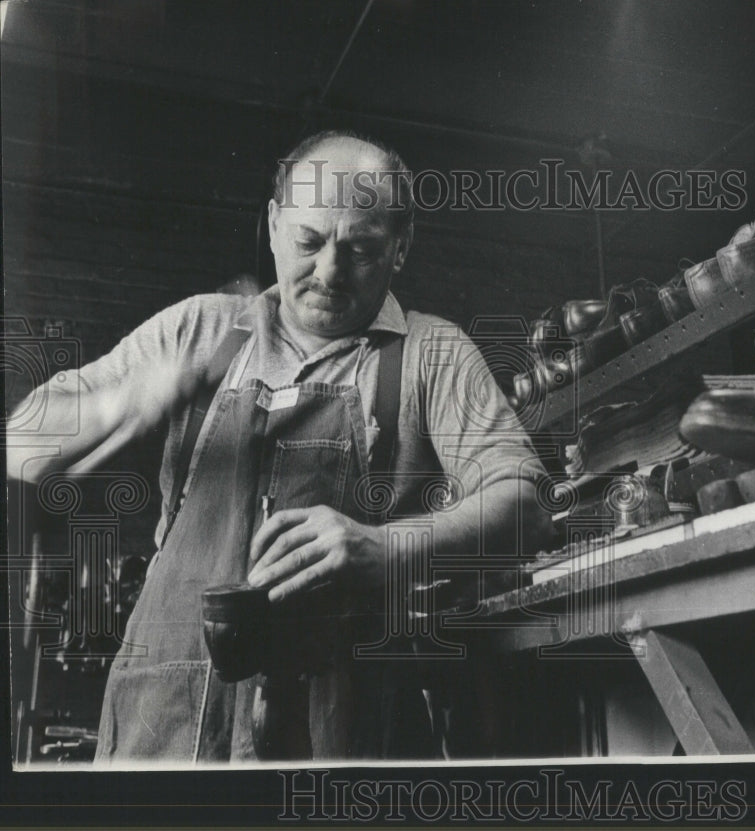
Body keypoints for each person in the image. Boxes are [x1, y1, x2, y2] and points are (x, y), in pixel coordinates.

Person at [7, 130, 551, 763]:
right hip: (167, 722)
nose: (328, 272)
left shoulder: (434, 353)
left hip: (341, 730)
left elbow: (529, 501)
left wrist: (386, 546)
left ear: (401, 249)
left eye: (361, 249)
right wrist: (127, 400)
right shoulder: (200, 329)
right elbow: (21, 442)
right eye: (309, 242)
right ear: (272, 225)